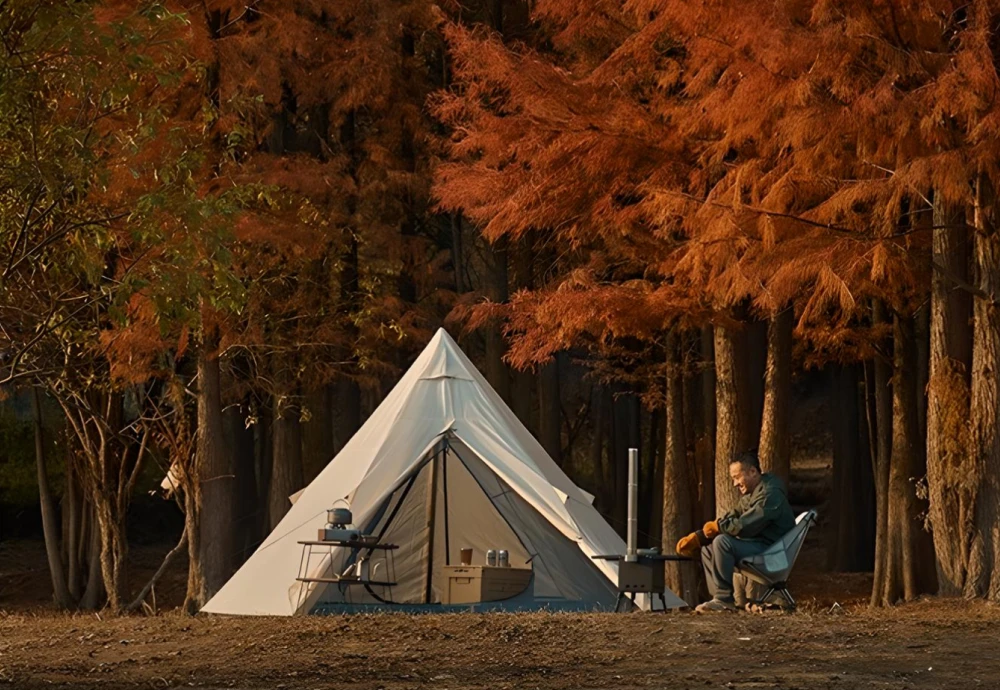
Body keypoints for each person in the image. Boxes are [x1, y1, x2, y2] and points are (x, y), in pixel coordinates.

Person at [675, 450, 795, 613]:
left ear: (753, 472)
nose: (735, 484)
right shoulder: (756, 491)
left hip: (773, 552)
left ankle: (724, 600)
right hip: (760, 546)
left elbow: (744, 526)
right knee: (708, 549)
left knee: (722, 542)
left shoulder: (769, 495)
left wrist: (718, 529)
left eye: (737, 477)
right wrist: (701, 536)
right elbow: (736, 513)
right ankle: (720, 599)